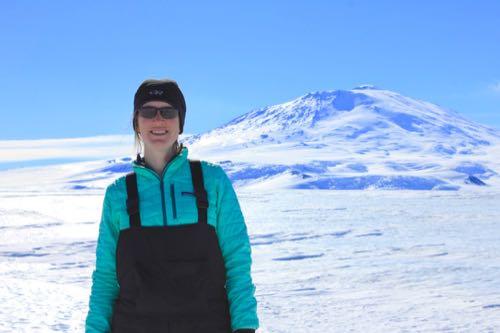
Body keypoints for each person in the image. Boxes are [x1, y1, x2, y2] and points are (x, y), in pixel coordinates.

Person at [85, 78, 259, 333]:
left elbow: (237, 264)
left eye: (167, 112)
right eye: (148, 112)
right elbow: (106, 280)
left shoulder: (212, 182)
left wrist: (245, 327)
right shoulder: (118, 194)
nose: (158, 120)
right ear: (136, 123)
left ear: (180, 123)